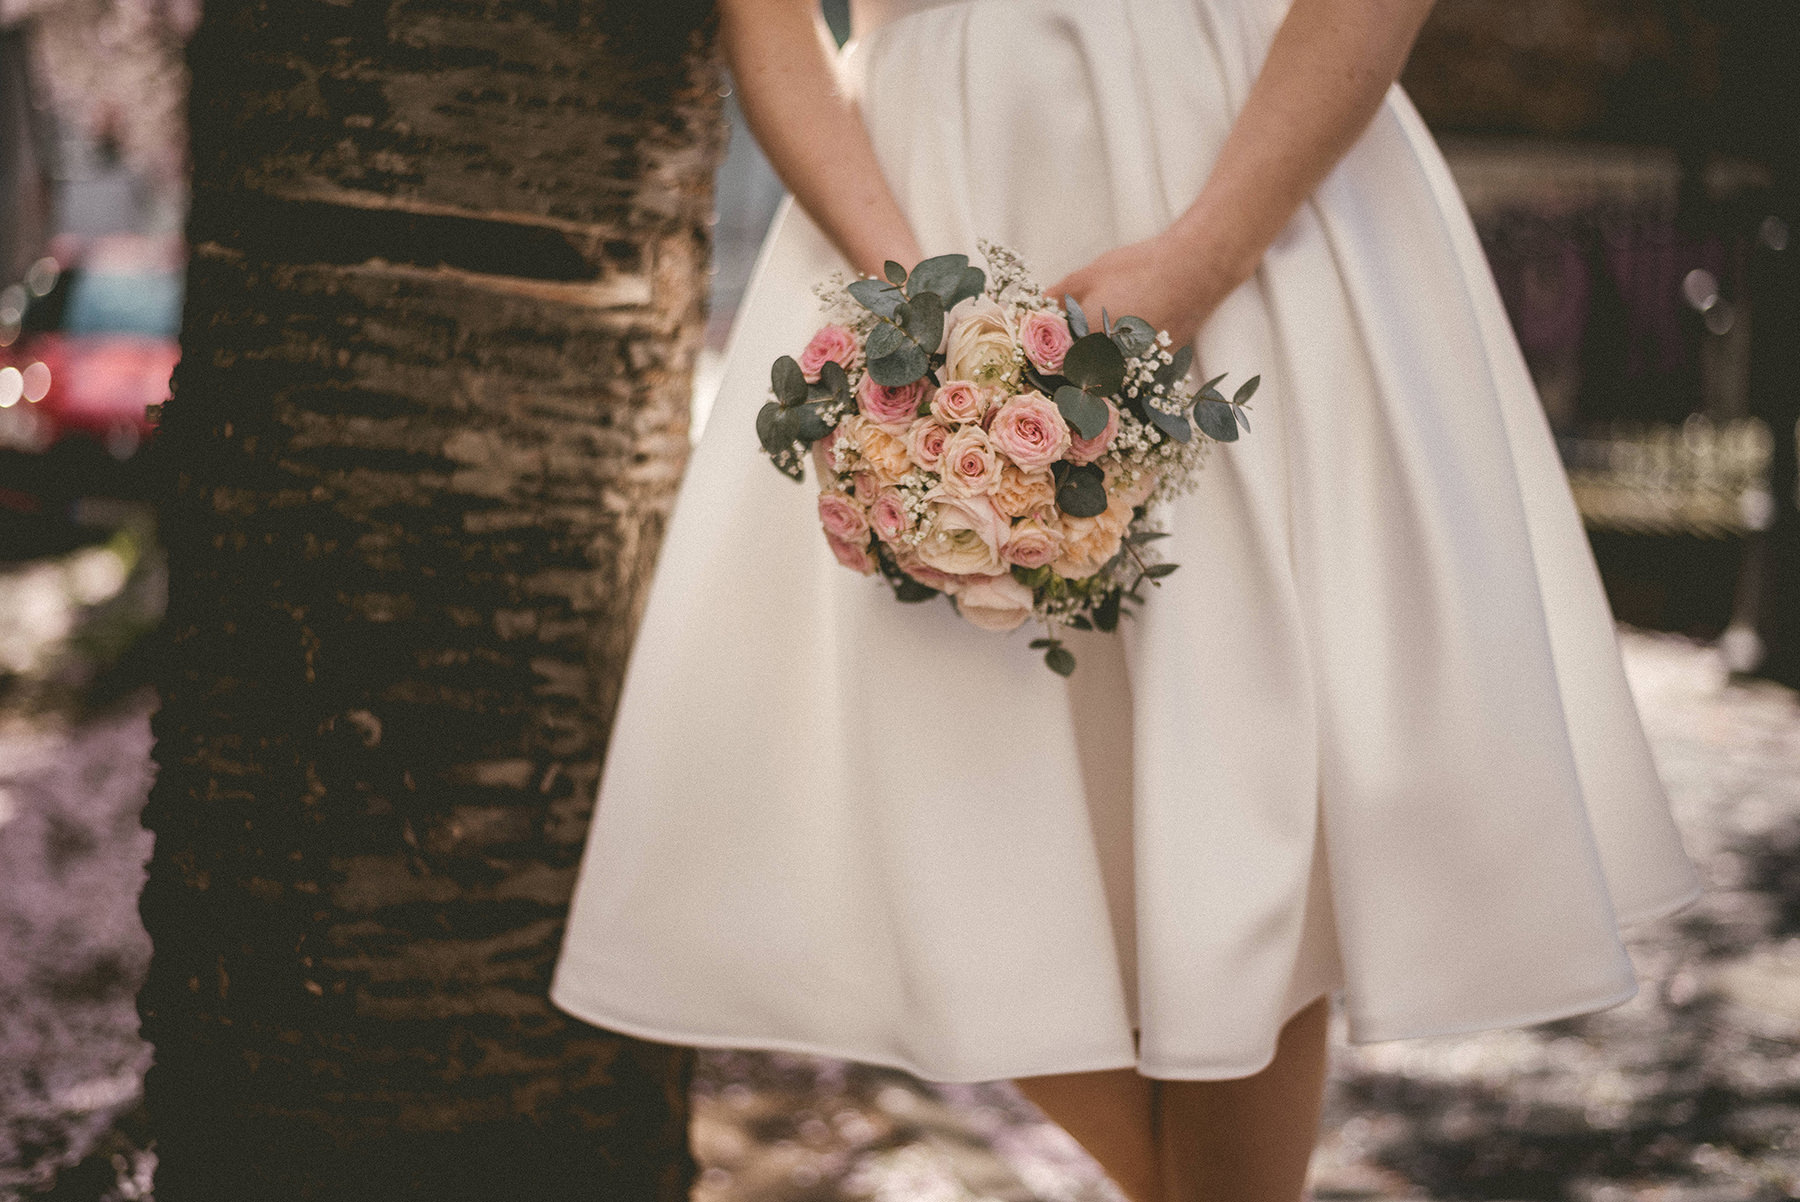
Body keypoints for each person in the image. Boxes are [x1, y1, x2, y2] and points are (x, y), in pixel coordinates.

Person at [550, 0, 1703, 1197]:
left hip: (1244, 168)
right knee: (939, 781)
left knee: (1245, 772)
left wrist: (1202, 257)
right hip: (920, 194)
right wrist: (917, 310)